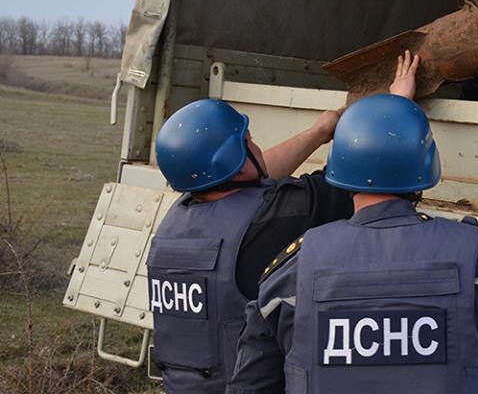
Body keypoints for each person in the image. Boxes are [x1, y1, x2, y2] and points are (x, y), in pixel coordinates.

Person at [228, 93, 478, 393]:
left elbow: (251, 385)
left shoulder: (293, 270)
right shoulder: (476, 258)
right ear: (426, 166)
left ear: (339, 169)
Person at [147, 52, 421, 392]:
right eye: (248, 142)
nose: (257, 145)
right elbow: (364, 176)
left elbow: (253, 182)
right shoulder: (281, 215)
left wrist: (319, 132)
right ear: (239, 163)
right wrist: (397, 104)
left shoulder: (179, 216)